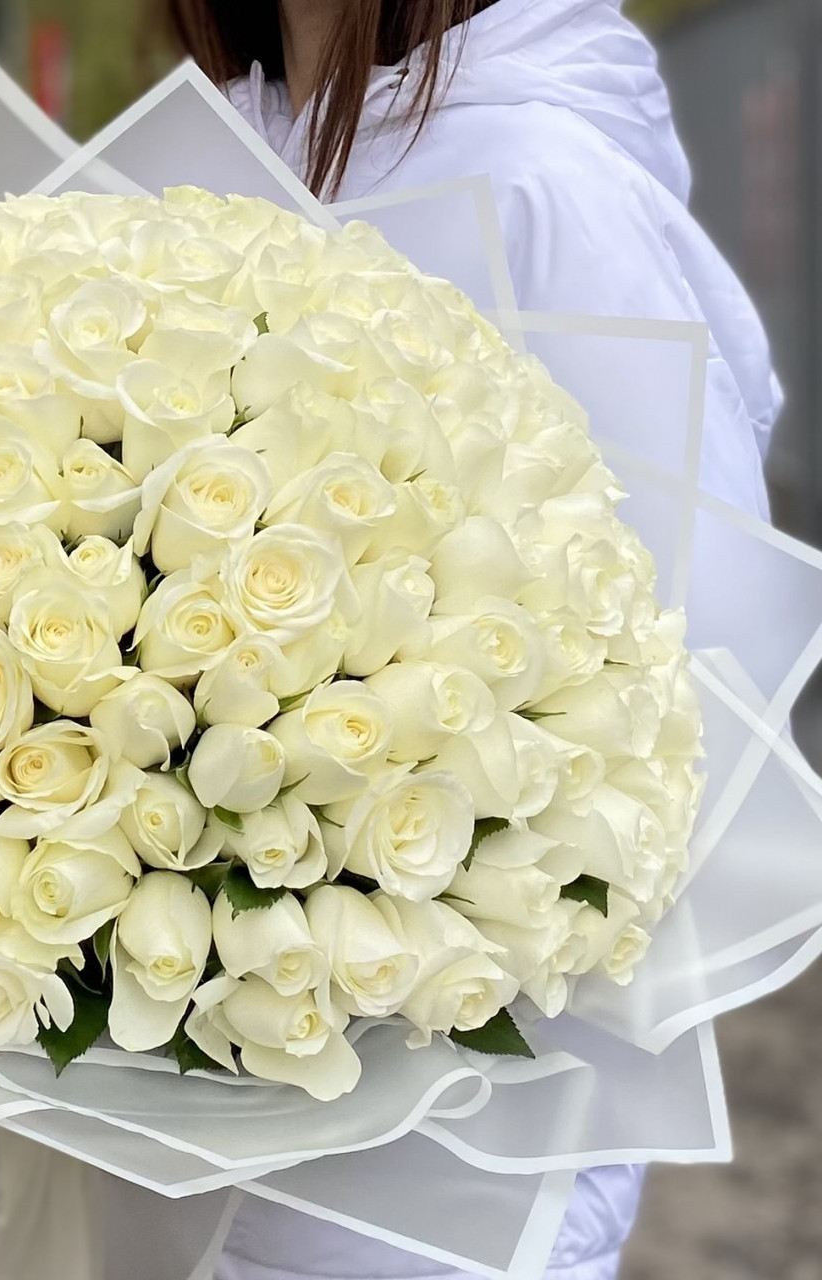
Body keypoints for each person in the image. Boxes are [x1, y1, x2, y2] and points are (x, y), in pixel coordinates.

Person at [167, 0, 781, 1277]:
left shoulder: (539, 181)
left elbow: (695, 688)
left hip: (452, 1122)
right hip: (176, 1080)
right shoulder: (190, 153)